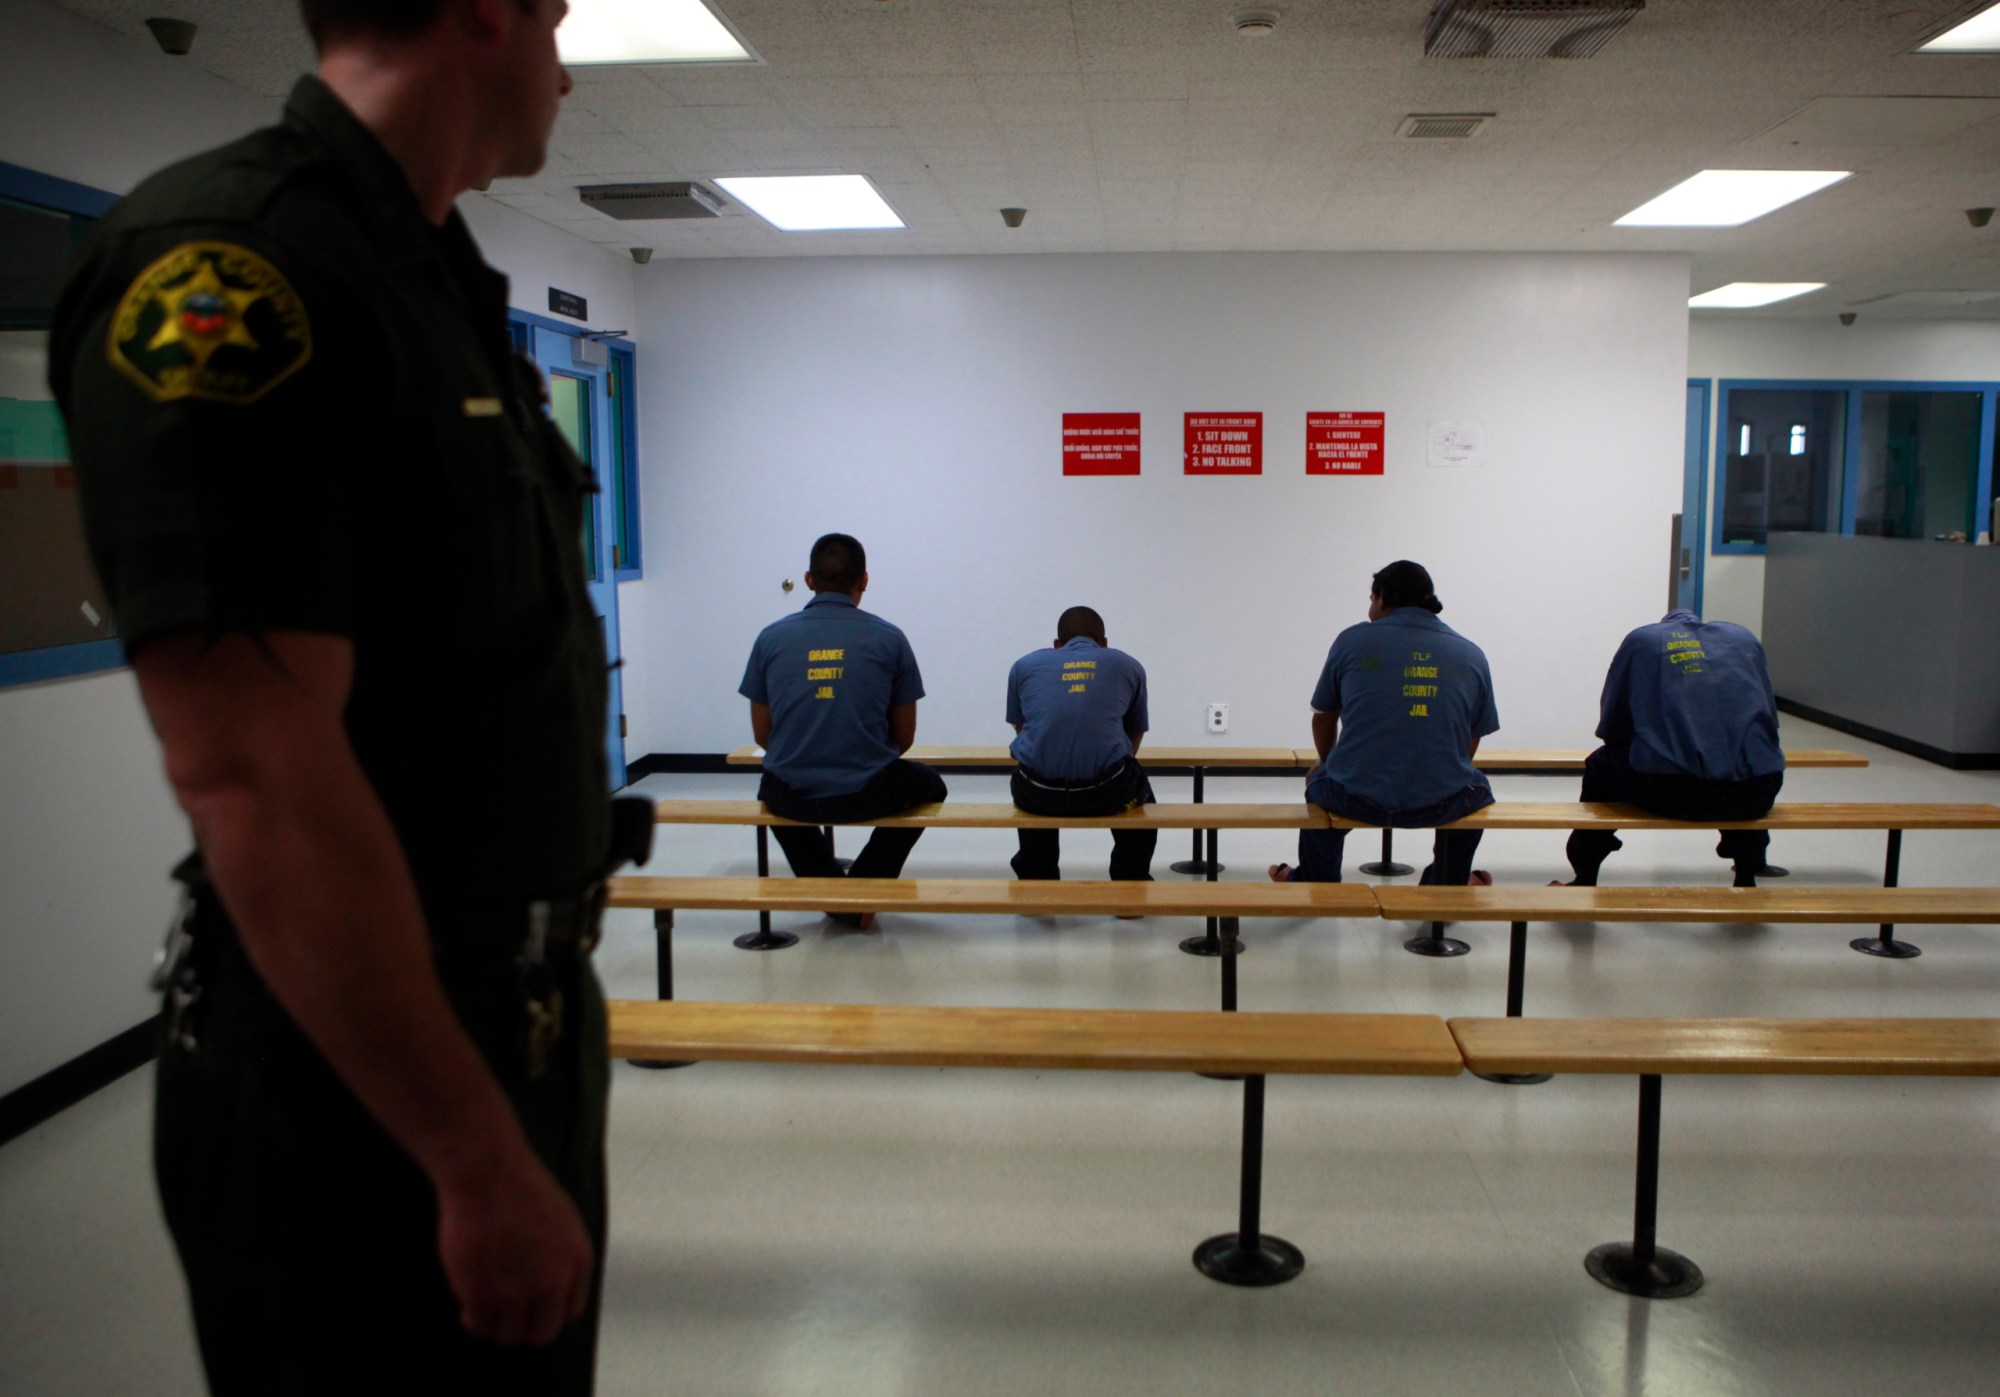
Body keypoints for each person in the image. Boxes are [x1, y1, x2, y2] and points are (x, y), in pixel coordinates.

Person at [46, 2, 642, 1392]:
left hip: (515, 1020)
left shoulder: (431, 281)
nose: (567, 63)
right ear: (482, 13)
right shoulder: (239, 269)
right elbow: (251, 773)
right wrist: (474, 1158)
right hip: (365, 1074)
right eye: (558, 17)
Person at [740, 533, 946, 925]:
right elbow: (904, 738)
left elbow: (762, 734)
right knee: (930, 786)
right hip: (867, 792)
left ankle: (833, 893)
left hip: (794, 792)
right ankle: (864, 888)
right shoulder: (890, 638)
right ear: (864, 580)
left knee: (771, 788)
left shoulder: (770, 638)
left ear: (808, 580)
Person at [1271, 561, 1499, 886]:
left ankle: (1314, 880)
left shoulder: (1352, 641)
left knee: (1320, 784)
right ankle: (1447, 884)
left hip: (1355, 797)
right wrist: (1446, 772)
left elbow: (1323, 716)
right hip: (1440, 802)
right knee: (1477, 792)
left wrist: (1325, 761)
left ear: (1382, 597)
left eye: (1371, 598)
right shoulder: (1470, 653)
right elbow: (1473, 735)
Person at [1560, 610, 1786, 887]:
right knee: (1741, 766)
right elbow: (1769, 721)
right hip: (1757, 792)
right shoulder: (1743, 638)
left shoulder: (1643, 641)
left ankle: (1584, 876)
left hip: (1673, 793)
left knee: (1599, 765)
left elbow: (1613, 728)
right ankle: (1746, 874)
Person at [1005, 606, 1155, 882]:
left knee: (1028, 774)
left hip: (1037, 794)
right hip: (1107, 792)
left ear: (1057, 645)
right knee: (1143, 800)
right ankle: (1130, 881)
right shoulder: (1127, 664)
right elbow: (1134, 731)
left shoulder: (1023, 665)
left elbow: (1021, 728)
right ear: (1104, 643)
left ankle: (1037, 881)